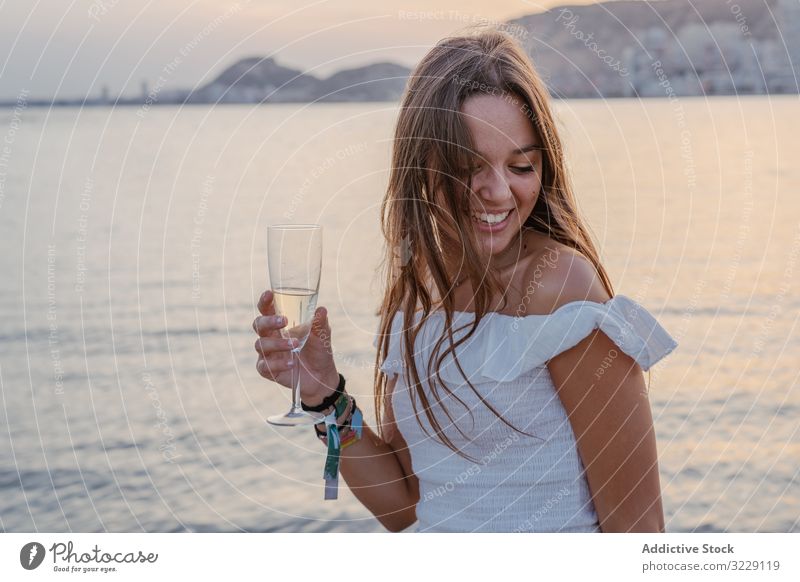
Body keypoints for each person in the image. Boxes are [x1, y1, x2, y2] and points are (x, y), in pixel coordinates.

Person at [253, 27, 678, 533]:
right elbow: (402, 506)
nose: (497, 192)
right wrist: (323, 395)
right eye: (468, 168)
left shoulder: (561, 288)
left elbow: (640, 529)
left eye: (521, 165)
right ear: (420, 165)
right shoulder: (416, 289)